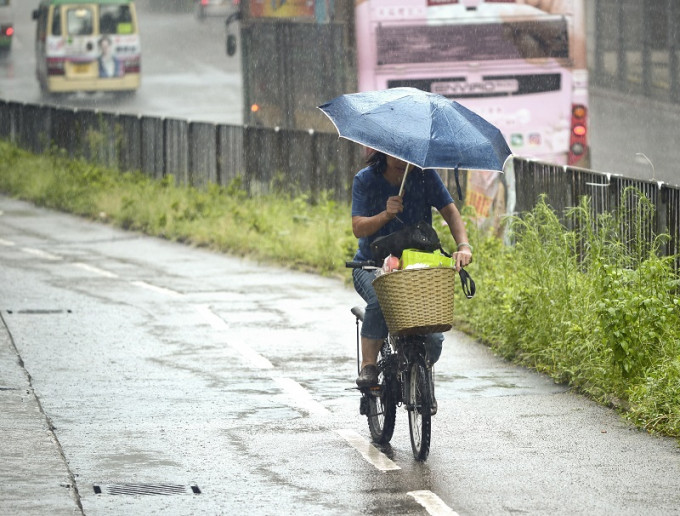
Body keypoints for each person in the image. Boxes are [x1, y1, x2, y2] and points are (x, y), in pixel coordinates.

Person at [351, 150, 473, 389]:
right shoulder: (365, 179)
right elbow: (358, 228)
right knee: (379, 302)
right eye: (395, 155)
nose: (402, 161)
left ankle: (419, 374)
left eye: (407, 156)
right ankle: (369, 366)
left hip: (415, 270)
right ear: (382, 153)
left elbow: (450, 212)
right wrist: (386, 215)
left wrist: (464, 246)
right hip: (371, 265)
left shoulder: (425, 176)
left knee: (433, 335)